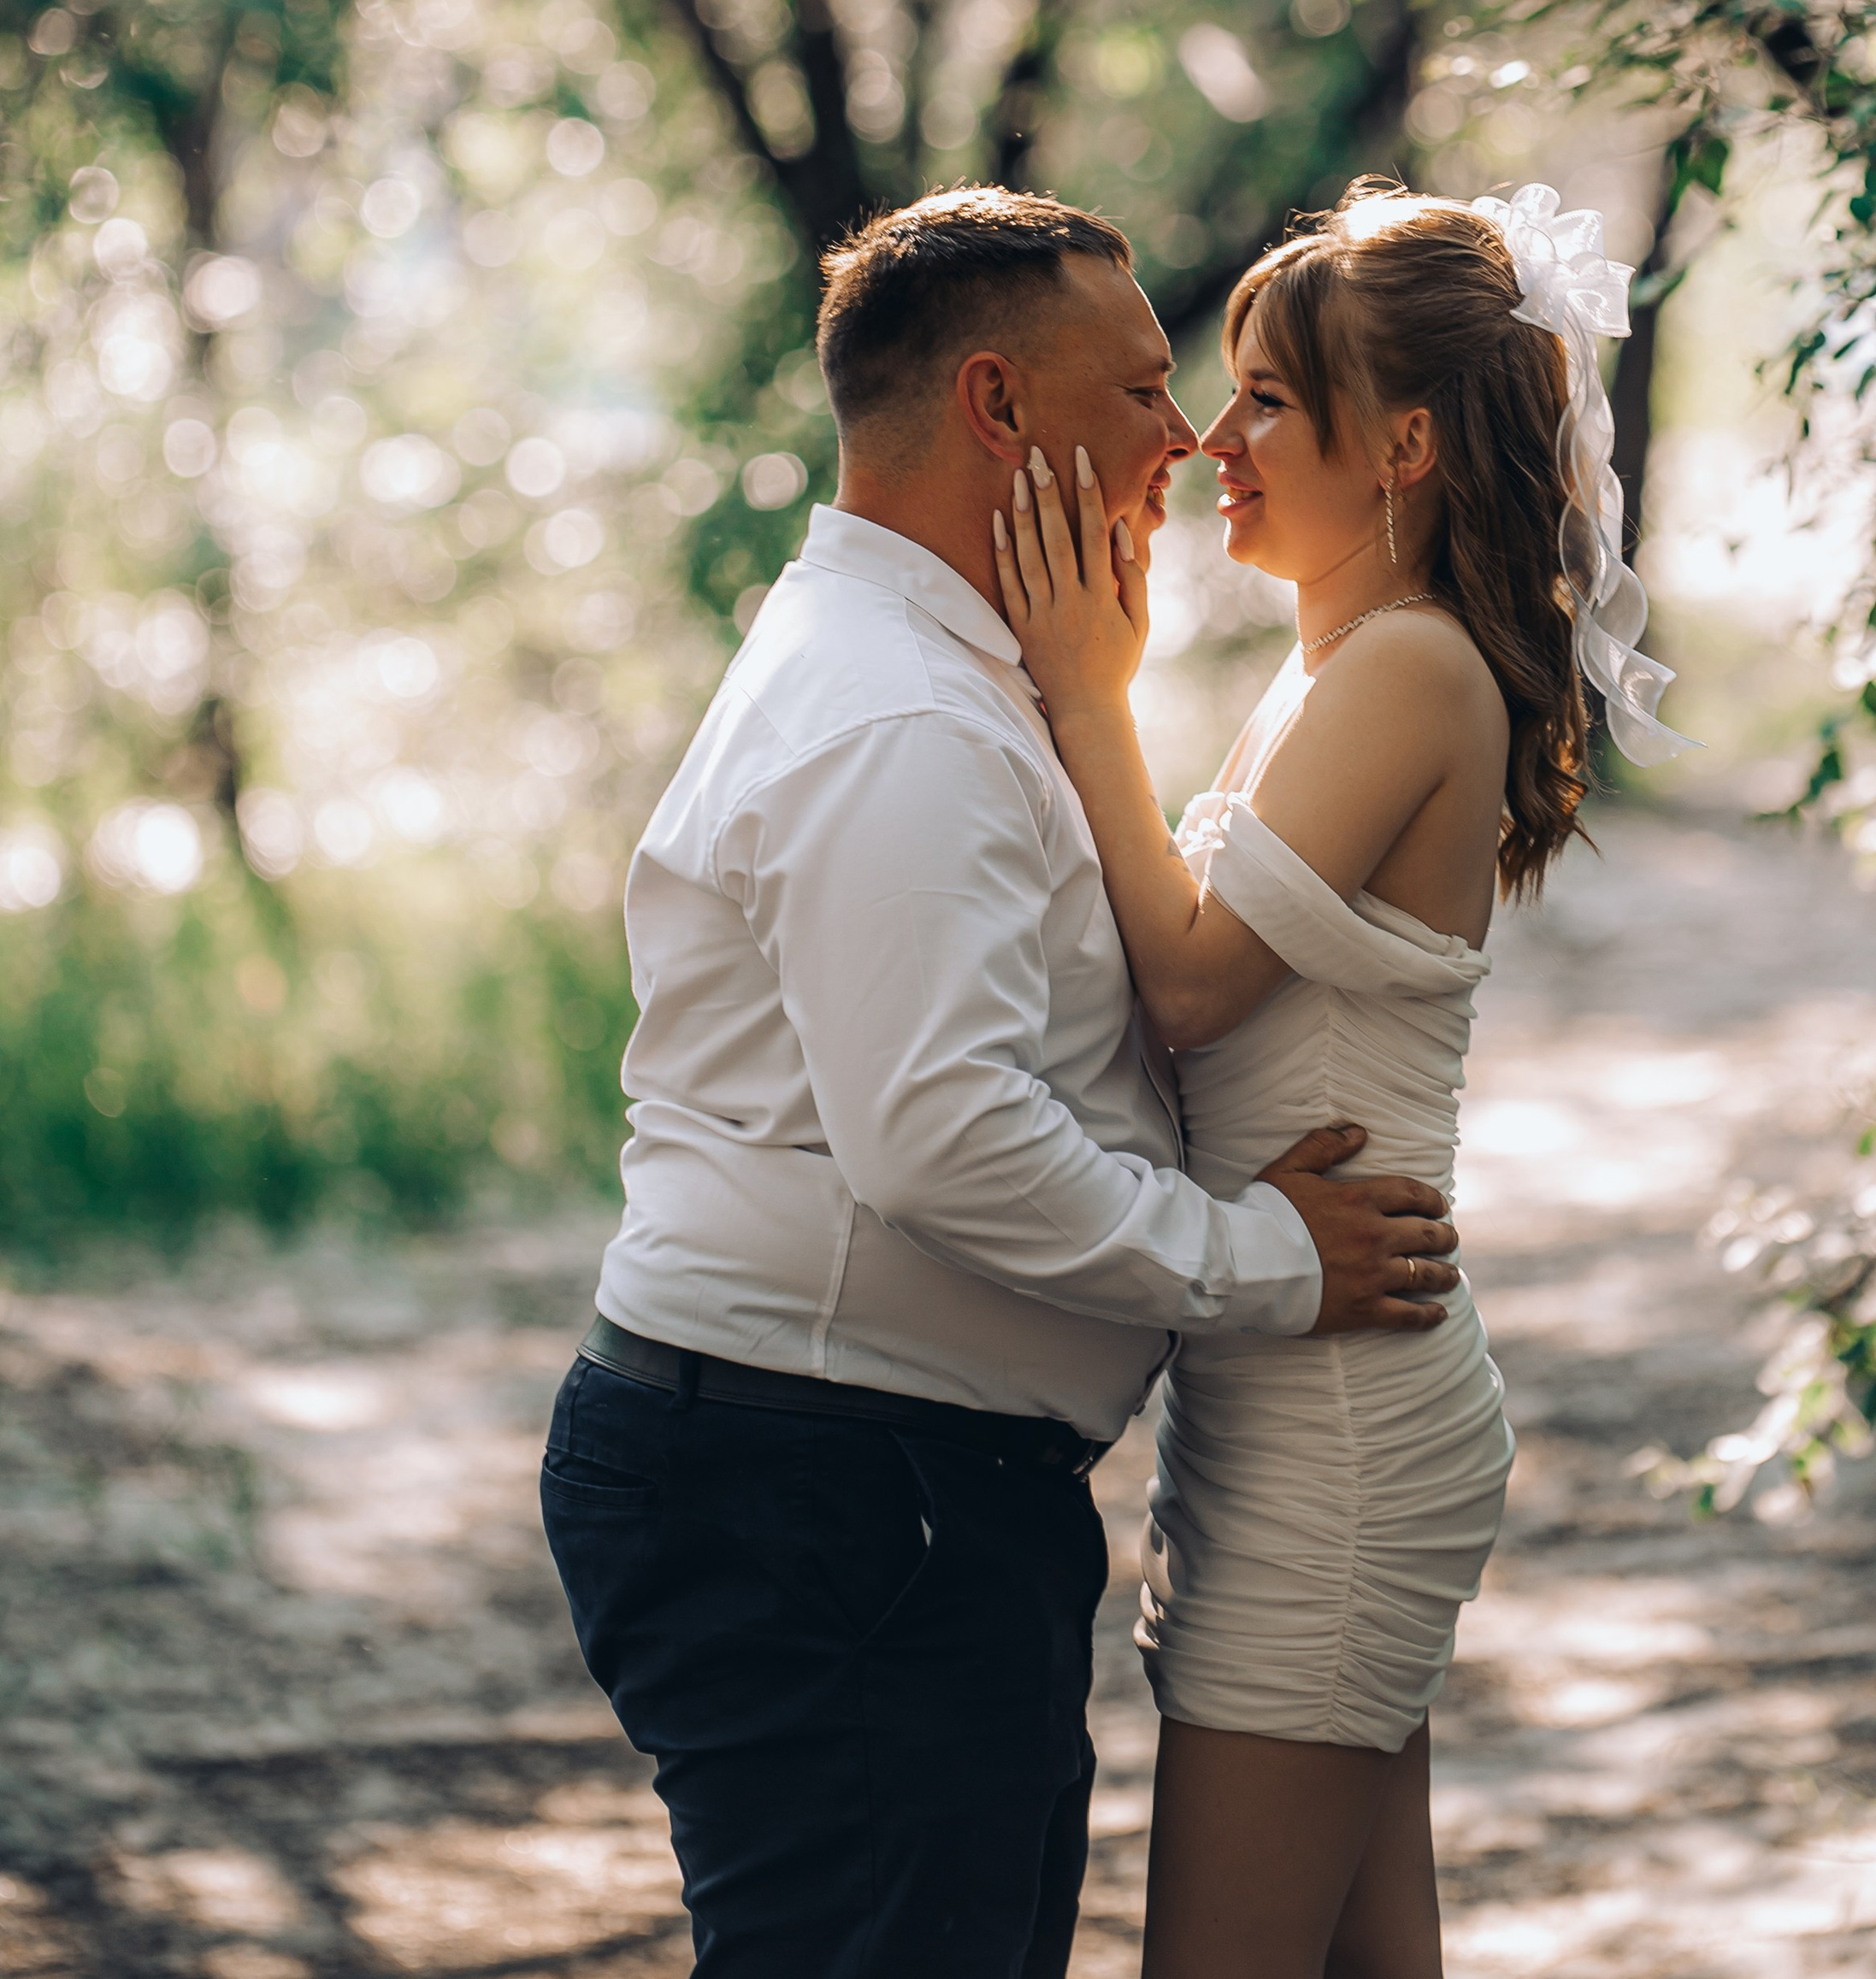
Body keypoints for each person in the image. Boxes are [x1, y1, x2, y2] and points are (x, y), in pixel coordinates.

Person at [538, 186, 1467, 1979]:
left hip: (867, 1479)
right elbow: (944, 1141)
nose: (1183, 435)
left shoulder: (948, 680)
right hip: (828, 1484)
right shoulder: (904, 716)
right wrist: (1265, 1262)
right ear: (995, 404)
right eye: (1141, 387)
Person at [995, 179, 1688, 1979]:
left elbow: (1190, 982)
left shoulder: (1406, 670)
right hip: (1300, 1396)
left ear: (1403, 444)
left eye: (1269, 402)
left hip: (1341, 1433)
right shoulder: (1330, 673)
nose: (1216, 444)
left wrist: (1086, 692)